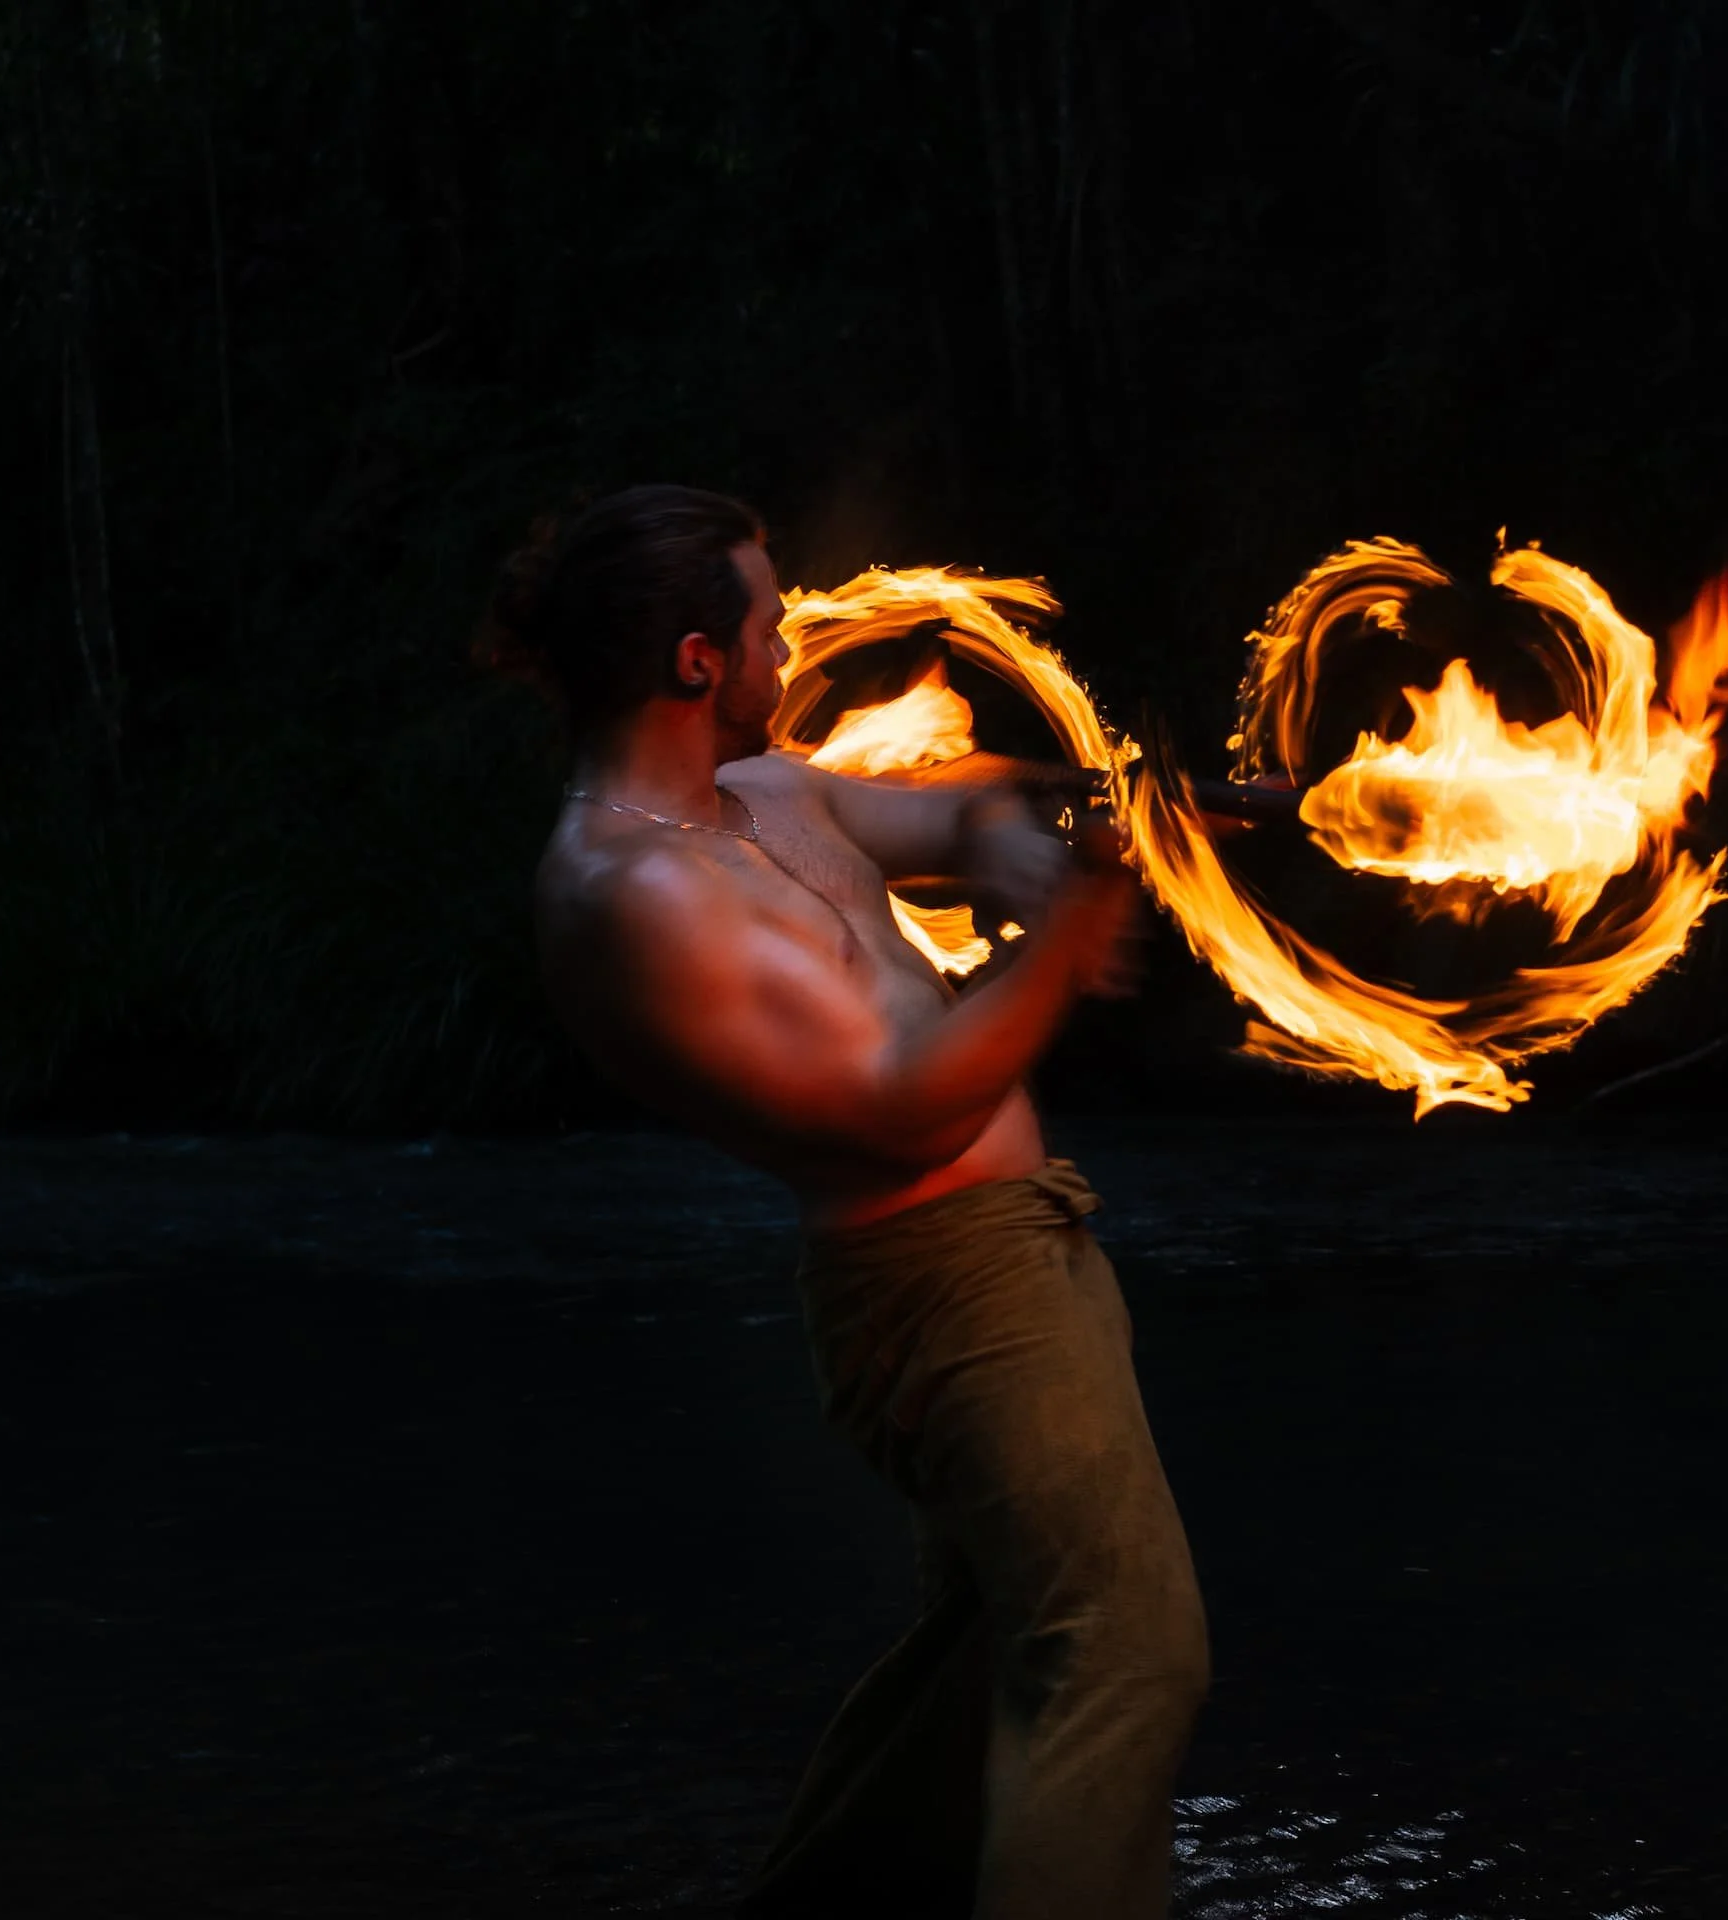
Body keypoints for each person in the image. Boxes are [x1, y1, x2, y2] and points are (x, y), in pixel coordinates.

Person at [484, 484, 1209, 1918]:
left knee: (991, 1651)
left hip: (1018, 1247)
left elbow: (957, 817)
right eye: (770, 625)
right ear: (698, 659)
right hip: (943, 1289)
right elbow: (902, 1114)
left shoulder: (762, 794)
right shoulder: (632, 895)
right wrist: (1068, 935)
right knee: (1126, 1649)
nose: (790, 645)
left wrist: (1039, 835)